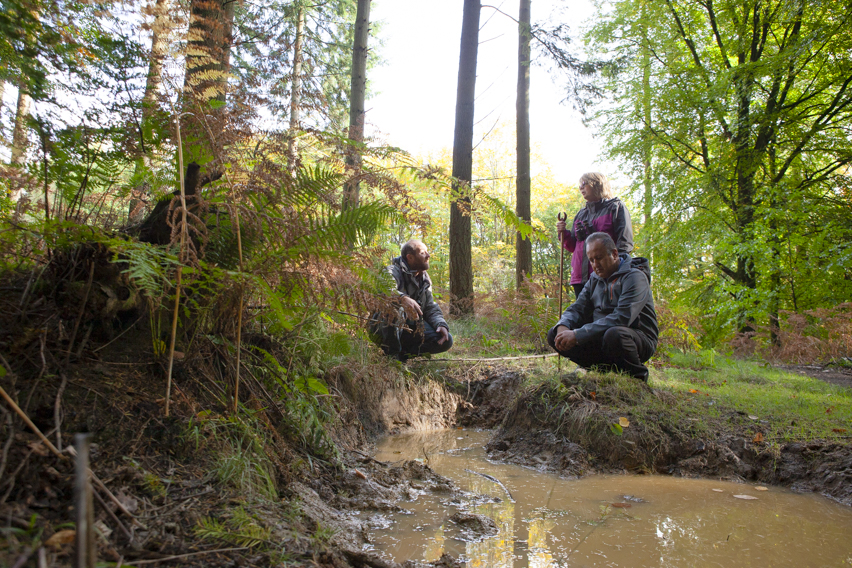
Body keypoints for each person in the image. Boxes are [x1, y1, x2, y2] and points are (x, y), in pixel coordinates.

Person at [548, 232, 657, 381]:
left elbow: (622, 318)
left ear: (614, 254)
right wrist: (563, 326)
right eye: (591, 260)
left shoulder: (635, 277)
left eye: (599, 258)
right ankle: (600, 369)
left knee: (614, 334)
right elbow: (578, 307)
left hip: (636, 338)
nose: (595, 265)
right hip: (602, 337)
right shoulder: (594, 279)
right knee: (554, 334)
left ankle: (637, 376)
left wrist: (577, 335)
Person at [370, 239, 453, 361]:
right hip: (381, 328)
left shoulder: (424, 279)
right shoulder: (391, 271)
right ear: (410, 257)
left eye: (427, 252)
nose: (428, 256)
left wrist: (440, 324)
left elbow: (430, 307)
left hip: (409, 328)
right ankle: (391, 357)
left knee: (446, 340)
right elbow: (386, 290)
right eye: (423, 253)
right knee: (396, 309)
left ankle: (402, 356)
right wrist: (402, 298)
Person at [556, 172, 634, 297]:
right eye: (579, 185)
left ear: (597, 184)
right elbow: (572, 246)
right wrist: (563, 232)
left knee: (603, 314)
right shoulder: (581, 214)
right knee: (581, 315)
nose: (581, 188)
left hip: (605, 276)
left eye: (584, 184)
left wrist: (617, 272)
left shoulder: (615, 208)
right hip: (580, 278)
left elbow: (624, 243)